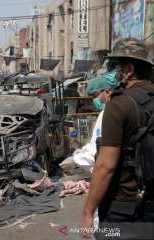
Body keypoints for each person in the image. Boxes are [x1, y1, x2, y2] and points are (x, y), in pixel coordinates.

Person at [80, 38, 154, 239]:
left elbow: (106, 166)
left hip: (123, 209)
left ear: (128, 69)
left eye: (115, 66)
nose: (112, 72)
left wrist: (88, 212)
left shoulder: (119, 104)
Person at [60, 73, 117, 230]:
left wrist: (76, 160)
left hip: (111, 184)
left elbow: (101, 154)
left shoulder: (112, 115)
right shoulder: (103, 115)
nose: (94, 99)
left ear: (108, 92)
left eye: (95, 95)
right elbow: (94, 145)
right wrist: (80, 152)